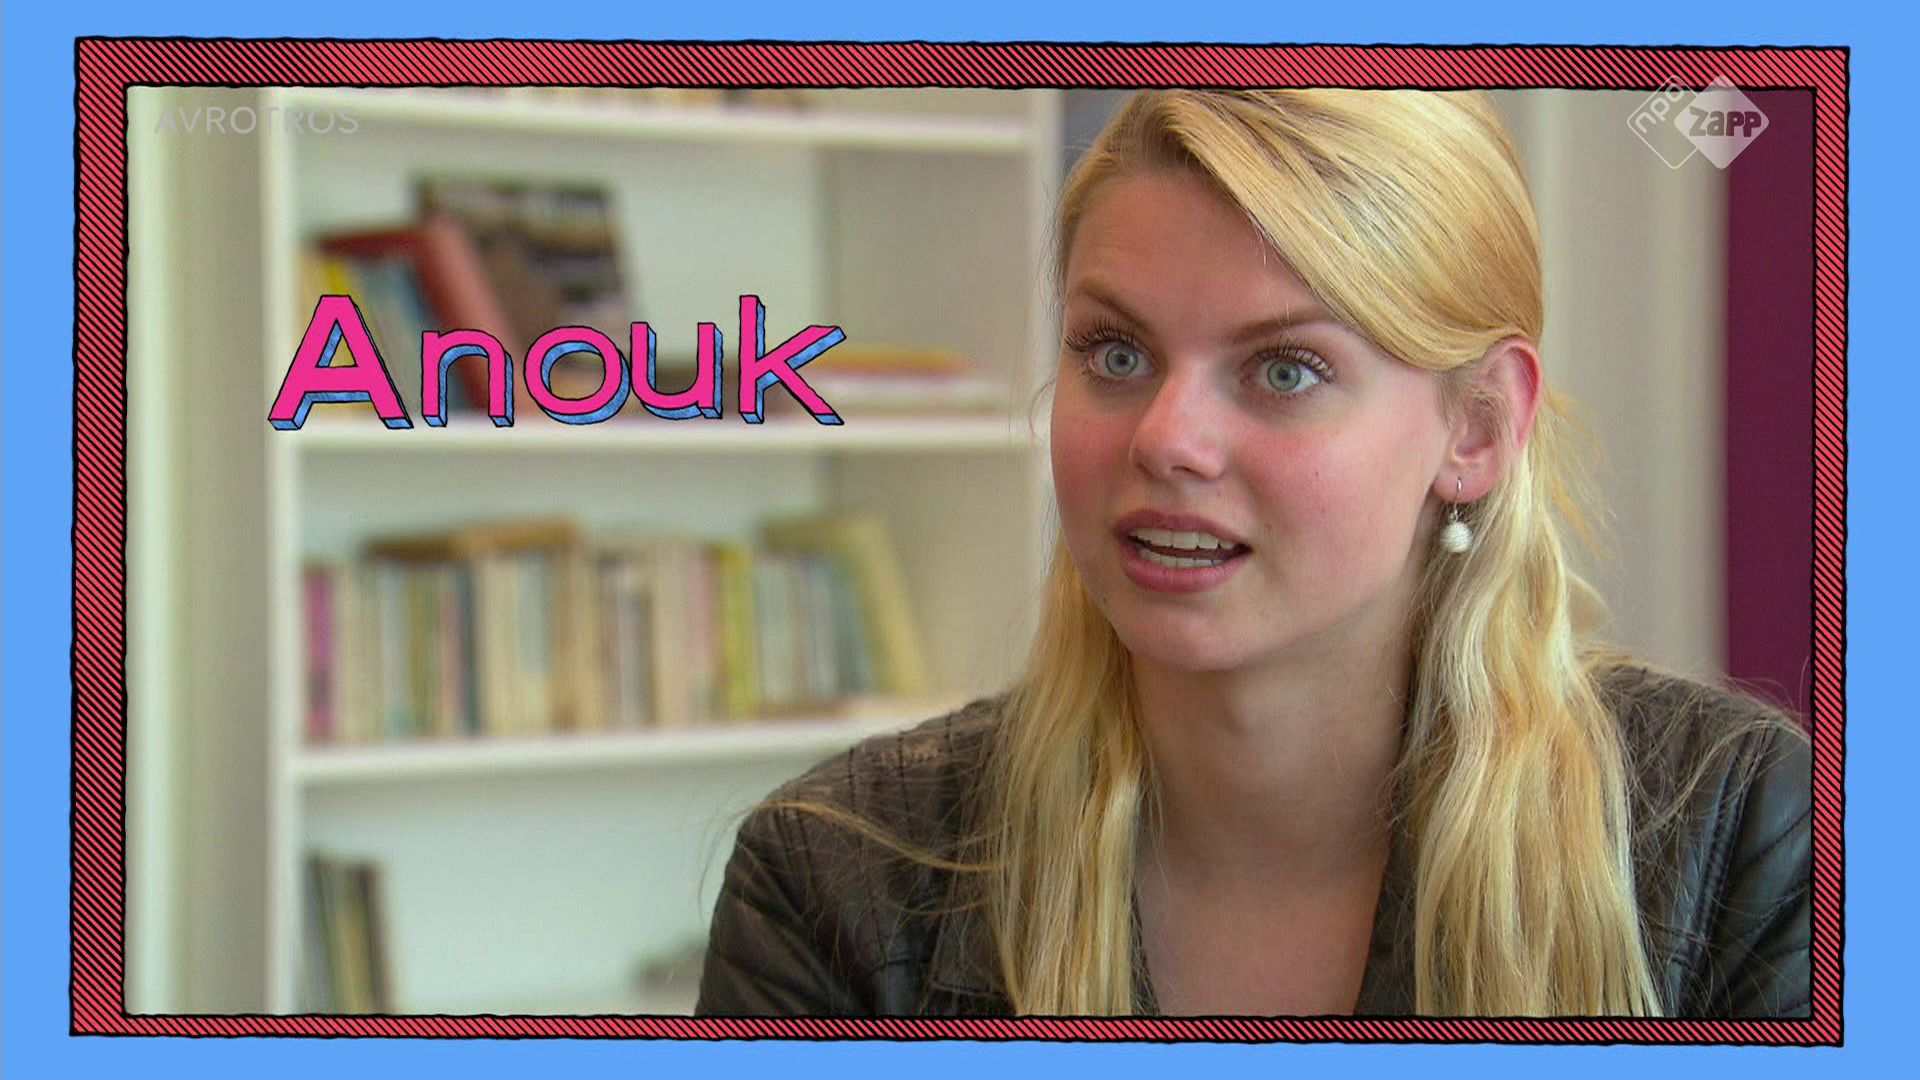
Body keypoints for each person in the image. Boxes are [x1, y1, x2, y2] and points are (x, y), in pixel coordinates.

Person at [693, 89, 1812, 1018]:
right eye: (1115, 353)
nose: (1165, 438)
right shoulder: (837, 883)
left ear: (1475, 429)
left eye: (1284, 371)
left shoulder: (1741, 840)